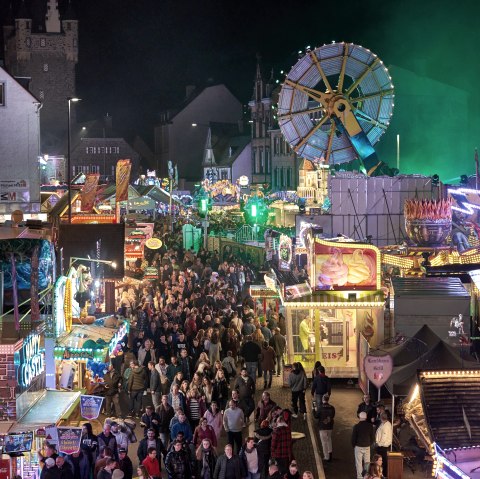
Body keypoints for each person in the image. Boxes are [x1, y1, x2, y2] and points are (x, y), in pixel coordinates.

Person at [351, 411, 375, 479]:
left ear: (359, 417)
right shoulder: (370, 426)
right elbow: (372, 437)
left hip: (358, 447)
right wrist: (369, 444)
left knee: (358, 463)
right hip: (367, 446)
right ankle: (367, 476)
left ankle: (360, 477)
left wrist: (354, 446)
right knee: (367, 463)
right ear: (366, 417)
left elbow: (353, 438)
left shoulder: (356, 426)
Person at [318, 393, 335, 462]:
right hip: (330, 426)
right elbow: (333, 416)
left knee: (324, 442)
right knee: (329, 440)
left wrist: (313, 409)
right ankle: (330, 455)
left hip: (322, 427)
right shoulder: (332, 407)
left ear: (322, 399)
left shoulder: (320, 408)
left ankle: (326, 456)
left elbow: (316, 416)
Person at [375, 412, 392, 477]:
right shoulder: (384, 423)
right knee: (382, 461)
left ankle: (384, 475)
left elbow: (384, 438)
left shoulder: (386, 426)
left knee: (382, 461)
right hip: (381, 446)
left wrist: (378, 444)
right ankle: (382, 474)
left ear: (381, 417)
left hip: (382, 446)